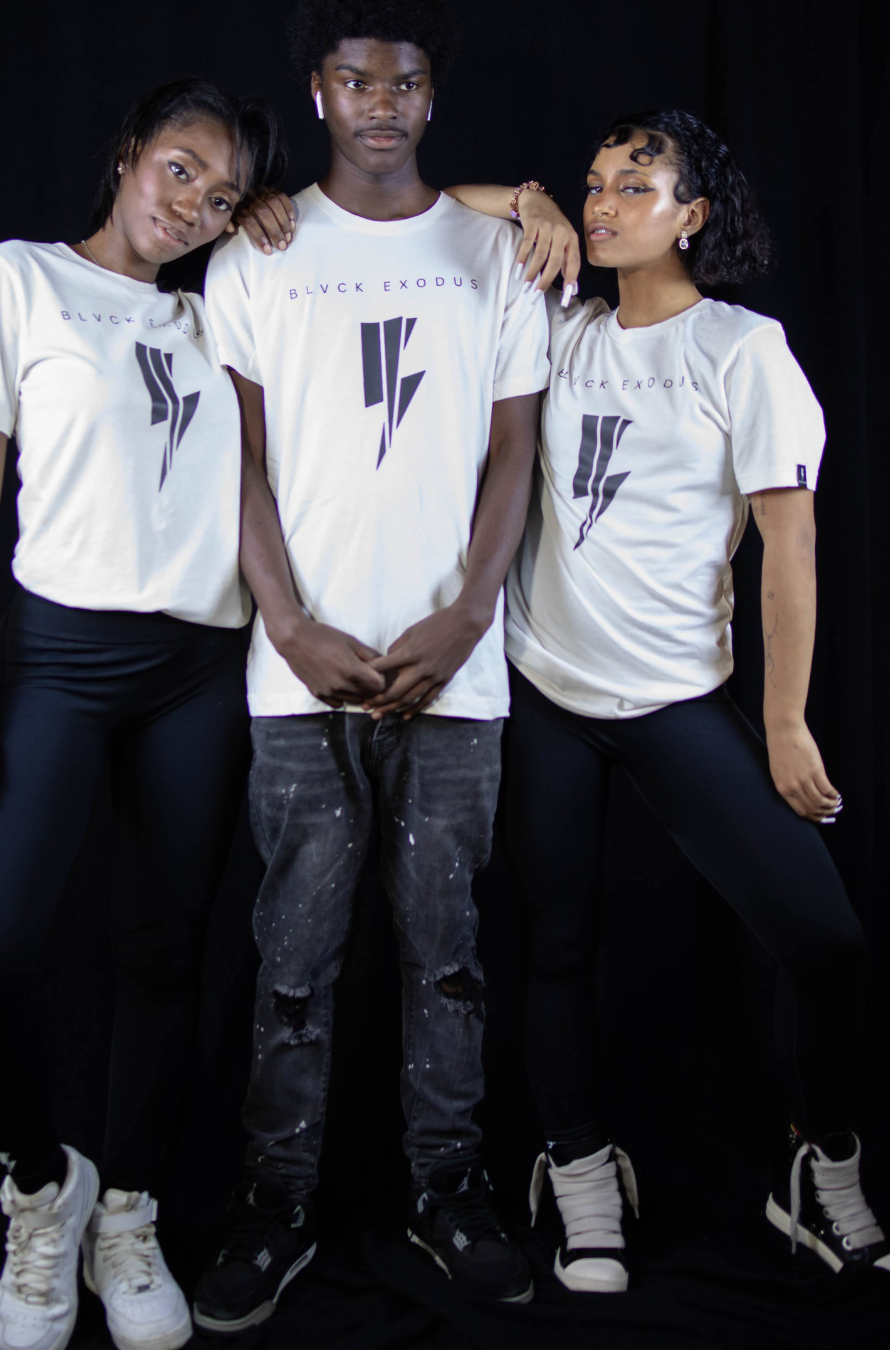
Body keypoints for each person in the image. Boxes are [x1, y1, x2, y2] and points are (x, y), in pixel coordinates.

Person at [441, 109, 890, 1296]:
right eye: (595, 184)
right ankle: (577, 1165)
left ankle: (820, 1162)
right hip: (549, 688)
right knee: (555, 942)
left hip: (673, 700)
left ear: (693, 216)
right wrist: (531, 203)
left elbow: (788, 548)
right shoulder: (559, 321)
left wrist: (785, 720)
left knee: (825, 939)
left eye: (634, 186)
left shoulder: (741, 350)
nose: (603, 204)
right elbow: (435, 205)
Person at [190, 0, 550, 1332]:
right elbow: (235, 456)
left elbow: (515, 450)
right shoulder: (257, 251)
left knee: (447, 959)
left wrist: (465, 622)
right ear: (320, 92)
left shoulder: (497, 252)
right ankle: (275, 1204)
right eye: (357, 80)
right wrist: (288, 624)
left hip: (455, 674)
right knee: (292, 961)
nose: (382, 102)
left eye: (404, 81)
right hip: (299, 673)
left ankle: (447, 1190)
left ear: (432, 97)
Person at [0, 78, 286, 1350]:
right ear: (130, 153)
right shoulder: (14, 278)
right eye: (180, 169)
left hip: (200, 667)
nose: (194, 207)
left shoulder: (222, 303)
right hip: (59, 661)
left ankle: (129, 1208)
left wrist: (526, 204)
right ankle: (43, 1185)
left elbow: (383, 205)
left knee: (164, 954)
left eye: (223, 196)